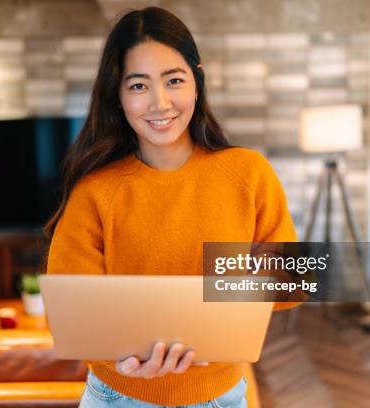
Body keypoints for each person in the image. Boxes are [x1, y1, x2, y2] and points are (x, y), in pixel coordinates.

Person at [45, 6, 300, 407]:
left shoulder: (248, 173)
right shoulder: (94, 191)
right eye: (138, 86)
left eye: (174, 80)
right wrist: (119, 356)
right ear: (118, 96)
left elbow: (287, 283)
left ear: (196, 82)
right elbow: (69, 310)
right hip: (117, 396)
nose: (159, 103)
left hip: (220, 397)